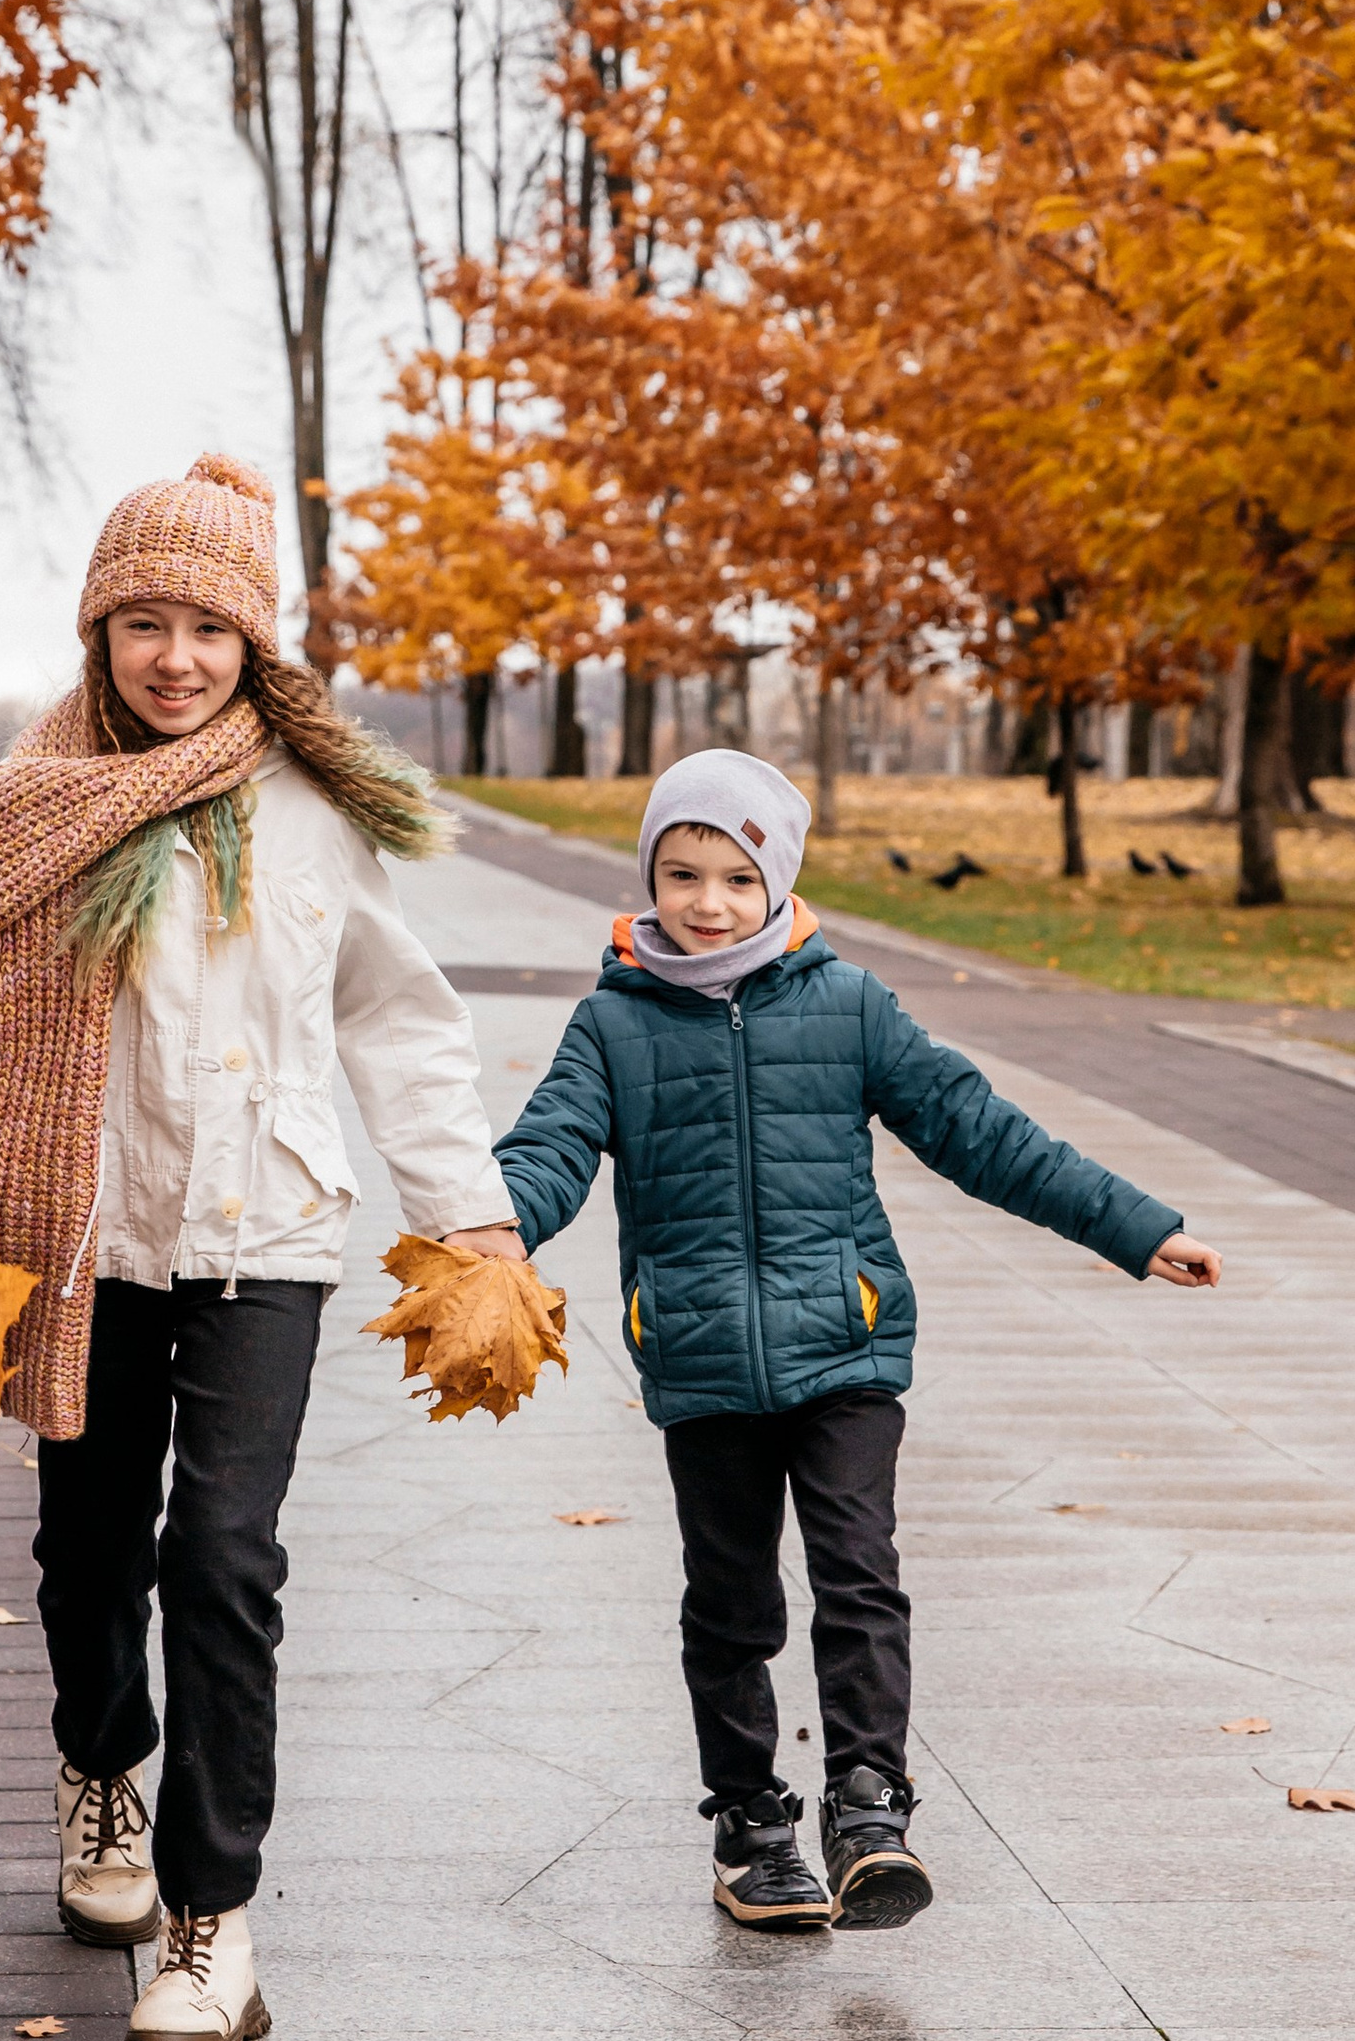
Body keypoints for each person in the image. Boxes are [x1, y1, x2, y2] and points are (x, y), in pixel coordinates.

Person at [0, 454, 513, 2041]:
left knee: (226, 1561)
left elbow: (397, 1019)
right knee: (91, 1549)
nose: (175, 659)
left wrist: (465, 1208)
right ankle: (100, 1767)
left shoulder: (313, 813)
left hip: (268, 1233)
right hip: (84, 1241)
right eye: (144, 625)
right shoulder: (24, 812)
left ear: (254, 643)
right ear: (98, 632)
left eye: (208, 628)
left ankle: (211, 1924)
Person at [488, 750, 1222, 1933]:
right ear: (649, 879)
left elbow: (980, 1132)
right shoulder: (611, 1023)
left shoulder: (846, 1004)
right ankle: (749, 1822)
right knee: (729, 1603)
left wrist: (1136, 1229)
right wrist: (491, 1231)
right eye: (682, 875)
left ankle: (869, 1804)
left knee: (858, 1576)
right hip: (701, 1360)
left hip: (846, 1349)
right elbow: (548, 1148)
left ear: (777, 879)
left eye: (737, 877)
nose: (709, 903)